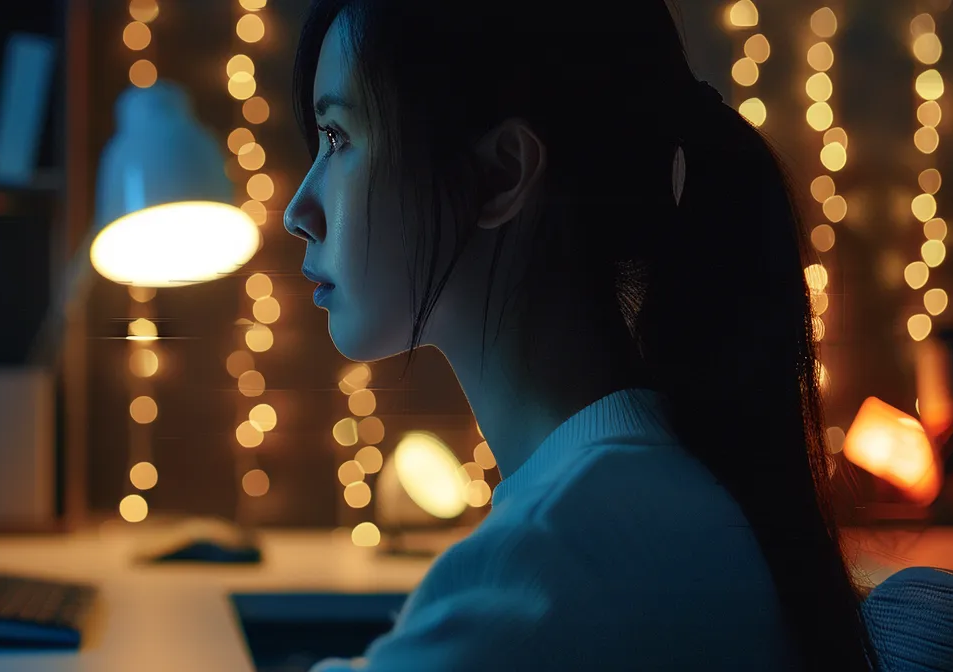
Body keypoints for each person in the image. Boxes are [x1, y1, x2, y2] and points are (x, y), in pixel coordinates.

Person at [283, 1, 876, 670]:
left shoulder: (553, 562)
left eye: (339, 138)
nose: (297, 211)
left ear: (501, 175)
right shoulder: (652, 492)